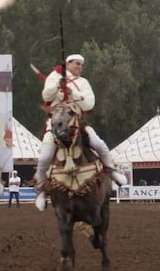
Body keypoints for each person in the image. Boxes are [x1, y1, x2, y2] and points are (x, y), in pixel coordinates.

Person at [35, 53, 129, 211]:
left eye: (81, 64)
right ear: (68, 64)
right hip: (56, 125)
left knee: (98, 143)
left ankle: (111, 170)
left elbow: (89, 104)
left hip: (76, 123)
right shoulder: (54, 76)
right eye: (76, 64)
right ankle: (41, 190)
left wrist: (72, 92)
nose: (80, 67)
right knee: (44, 157)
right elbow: (46, 95)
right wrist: (58, 85)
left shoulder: (83, 82)